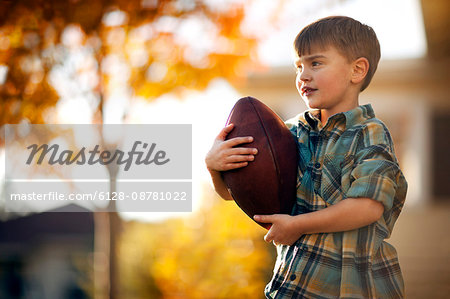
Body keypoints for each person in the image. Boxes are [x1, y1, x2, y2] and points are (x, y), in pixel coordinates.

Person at [205, 16, 408, 298]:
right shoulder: (288, 134)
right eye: (298, 67)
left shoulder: (369, 133)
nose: (303, 76)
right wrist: (215, 167)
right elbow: (234, 193)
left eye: (315, 63)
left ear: (357, 70)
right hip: (293, 286)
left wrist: (297, 225)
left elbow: (368, 207)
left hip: (353, 287)